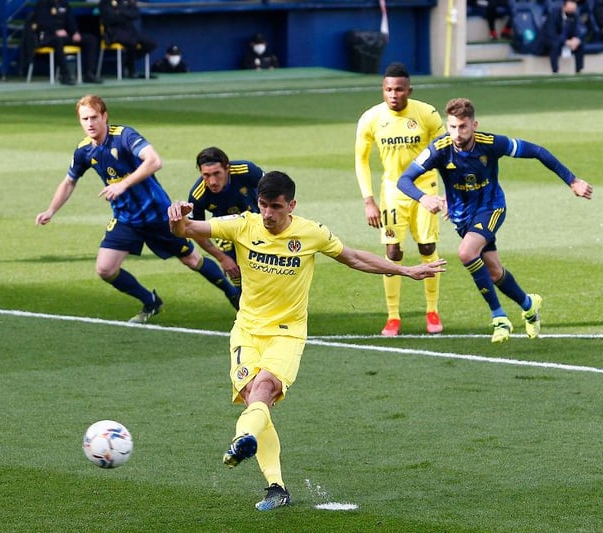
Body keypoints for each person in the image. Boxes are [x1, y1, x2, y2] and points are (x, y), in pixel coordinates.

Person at [167, 171, 446, 511]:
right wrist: (177, 220)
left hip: (288, 331)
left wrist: (405, 270)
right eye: (263, 205)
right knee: (255, 400)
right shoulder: (242, 225)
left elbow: (354, 257)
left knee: (264, 390)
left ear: (292, 206)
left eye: (276, 207)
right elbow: (188, 230)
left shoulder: (310, 233)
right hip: (247, 330)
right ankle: (275, 486)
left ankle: (243, 439)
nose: (268, 214)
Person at [397, 97, 593, 344]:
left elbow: (538, 152)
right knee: (494, 271)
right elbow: (404, 180)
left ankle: (499, 318)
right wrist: (424, 198)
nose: (457, 133)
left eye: (463, 127)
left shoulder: (491, 144)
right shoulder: (439, 149)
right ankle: (529, 305)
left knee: (467, 253)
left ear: (474, 125)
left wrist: (572, 181)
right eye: (453, 127)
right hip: (462, 216)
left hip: (491, 207)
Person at [35, 95, 240, 323]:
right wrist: (51, 210)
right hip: (126, 219)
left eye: (94, 117)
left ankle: (233, 296)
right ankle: (151, 301)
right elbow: (69, 181)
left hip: (157, 215)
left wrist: (123, 184)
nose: (90, 123)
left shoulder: (124, 136)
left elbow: (154, 161)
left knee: (191, 260)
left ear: (105, 116)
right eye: (85, 119)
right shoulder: (83, 151)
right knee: (105, 269)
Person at [354, 62, 446, 336]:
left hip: (425, 188)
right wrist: (368, 199)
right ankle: (393, 316)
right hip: (393, 191)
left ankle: (432, 310)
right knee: (393, 252)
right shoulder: (371, 118)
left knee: (427, 248)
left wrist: (448, 194)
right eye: (388, 89)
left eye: (399, 89)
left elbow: (445, 154)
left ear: (409, 90)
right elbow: (361, 159)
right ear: (383, 90)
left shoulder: (426, 113)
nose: (393, 94)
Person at [187, 147, 264, 288]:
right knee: (237, 275)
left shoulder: (246, 170)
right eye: (206, 175)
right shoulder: (197, 195)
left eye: (217, 173)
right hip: (227, 232)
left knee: (267, 270)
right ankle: (242, 307)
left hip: (257, 222)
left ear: (227, 168)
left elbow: (273, 190)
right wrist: (222, 258)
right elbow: (195, 231)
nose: (212, 181)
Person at [32, 0, 102, 84]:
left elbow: (70, 20)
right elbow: (41, 22)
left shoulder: (64, 4)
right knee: (58, 41)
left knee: (90, 40)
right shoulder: (42, 4)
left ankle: (89, 74)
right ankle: (65, 75)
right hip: (47, 36)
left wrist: (75, 32)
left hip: (63, 35)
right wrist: (55, 31)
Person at [99, 0, 157, 78]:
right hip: (114, 32)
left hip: (130, 31)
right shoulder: (105, 2)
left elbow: (135, 14)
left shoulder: (127, 1)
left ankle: (127, 62)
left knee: (151, 43)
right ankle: (131, 70)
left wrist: (119, 12)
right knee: (131, 42)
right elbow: (110, 19)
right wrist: (125, 14)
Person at [542, 0, 586, 74]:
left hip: (566, 40)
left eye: (573, 10)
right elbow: (551, 34)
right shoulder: (554, 15)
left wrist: (576, 39)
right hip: (550, 41)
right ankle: (555, 70)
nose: (571, 11)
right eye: (569, 9)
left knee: (580, 44)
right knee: (554, 44)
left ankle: (579, 70)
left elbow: (578, 30)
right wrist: (566, 41)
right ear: (564, 8)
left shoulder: (574, 16)